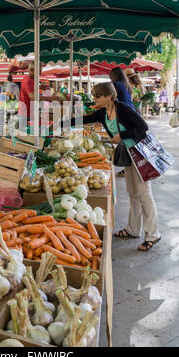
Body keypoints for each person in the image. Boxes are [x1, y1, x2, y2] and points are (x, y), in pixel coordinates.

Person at [65, 81, 161, 251]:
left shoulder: (122, 109)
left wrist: (121, 135)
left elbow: (143, 127)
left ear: (109, 96)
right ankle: (133, 229)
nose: (95, 99)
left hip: (139, 154)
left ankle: (153, 234)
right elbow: (85, 119)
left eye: (98, 96)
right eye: (94, 95)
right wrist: (61, 124)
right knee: (133, 193)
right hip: (127, 155)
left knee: (144, 194)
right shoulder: (103, 112)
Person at [18, 62, 62, 131]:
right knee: (28, 137)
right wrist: (51, 98)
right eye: (39, 71)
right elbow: (34, 98)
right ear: (32, 70)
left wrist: (39, 87)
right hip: (26, 115)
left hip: (28, 113)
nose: (40, 73)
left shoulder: (29, 79)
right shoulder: (28, 81)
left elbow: (29, 89)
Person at [110, 67, 135, 176]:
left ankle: (131, 165)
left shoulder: (116, 85)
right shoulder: (125, 85)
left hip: (126, 115)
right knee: (130, 142)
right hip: (131, 113)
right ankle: (130, 166)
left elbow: (110, 98)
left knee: (128, 141)